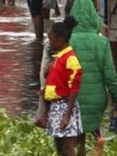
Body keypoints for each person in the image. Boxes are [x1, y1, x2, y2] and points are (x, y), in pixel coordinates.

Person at [68, 0, 117, 150]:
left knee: (75, 138)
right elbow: (110, 75)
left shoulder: (67, 41)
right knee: (96, 135)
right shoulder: (102, 42)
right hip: (96, 99)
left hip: (72, 98)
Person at [43, 16, 83, 156]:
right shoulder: (59, 57)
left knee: (67, 149)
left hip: (65, 107)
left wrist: (67, 115)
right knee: (60, 149)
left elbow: (75, 88)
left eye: (51, 39)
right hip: (56, 107)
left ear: (60, 39)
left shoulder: (70, 58)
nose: (49, 42)